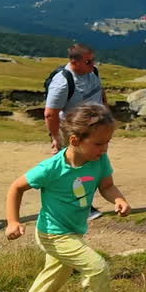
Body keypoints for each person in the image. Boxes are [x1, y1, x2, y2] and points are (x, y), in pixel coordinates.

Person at [4, 104, 132, 292]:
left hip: (72, 231)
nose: (104, 149)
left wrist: (119, 199)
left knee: (55, 275)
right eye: (98, 143)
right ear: (74, 140)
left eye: (107, 143)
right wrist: (13, 221)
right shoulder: (52, 168)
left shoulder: (99, 160)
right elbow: (16, 187)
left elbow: (106, 186)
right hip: (53, 233)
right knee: (96, 267)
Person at [44, 44, 107, 220]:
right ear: (74, 61)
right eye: (89, 61)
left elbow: (100, 93)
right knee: (75, 171)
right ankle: (80, 208)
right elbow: (50, 113)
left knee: (93, 167)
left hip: (96, 130)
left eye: (93, 60)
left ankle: (84, 205)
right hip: (75, 132)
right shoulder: (62, 82)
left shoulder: (92, 72)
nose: (93, 64)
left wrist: (106, 114)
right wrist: (56, 137)